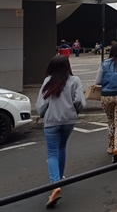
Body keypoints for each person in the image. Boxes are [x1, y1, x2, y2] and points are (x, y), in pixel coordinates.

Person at [36, 55, 86, 208]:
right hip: (68, 121)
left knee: (52, 153)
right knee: (62, 147)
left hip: (52, 121)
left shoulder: (48, 81)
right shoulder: (75, 80)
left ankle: (55, 184)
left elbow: (41, 105)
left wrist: (44, 113)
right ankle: (61, 177)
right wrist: (74, 111)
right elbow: (79, 101)